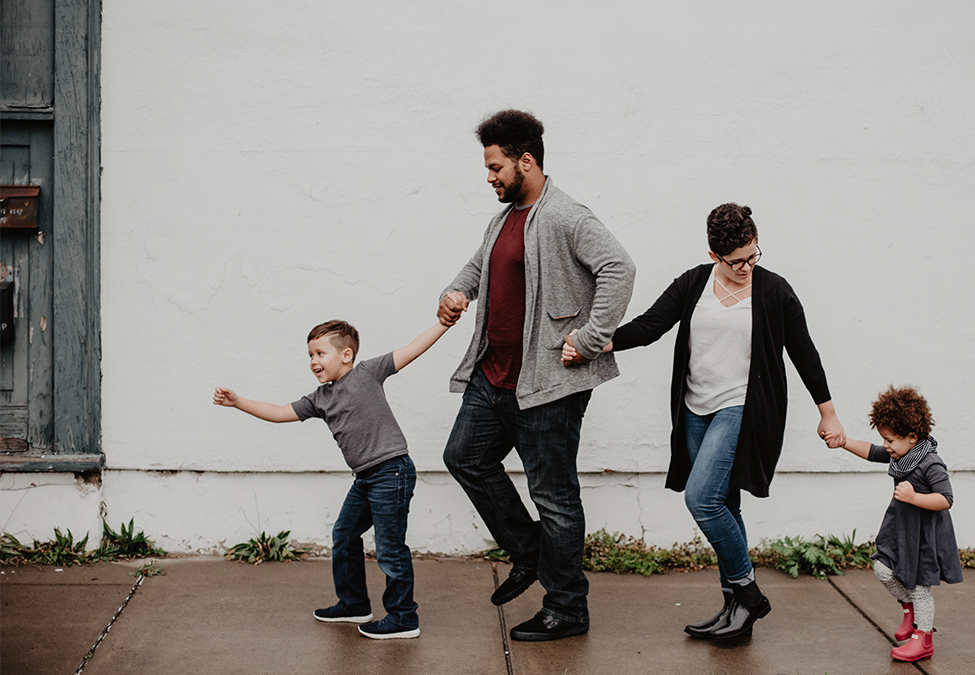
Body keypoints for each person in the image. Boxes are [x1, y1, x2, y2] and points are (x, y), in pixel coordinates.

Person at [562, 203, 846, 639]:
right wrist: (595, 344)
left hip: (742, 408)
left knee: (702, 500)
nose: (747, 267)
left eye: (754, 256)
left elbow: (804, 352)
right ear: (715, 255)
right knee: (725, 505)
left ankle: (749, 594)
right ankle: (736, 613)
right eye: (736, 261)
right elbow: (651, 325)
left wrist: (827, 412)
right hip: (695, 409)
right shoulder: (695, 282)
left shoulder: (774, 291)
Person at [438, 109, 635, 642]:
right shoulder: (503, 218)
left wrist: (590, 339)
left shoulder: (567, 216)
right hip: (493, 377)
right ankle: (530, 554)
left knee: (555, 497)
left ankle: (568, 608)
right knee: (464, 458)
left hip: (546, 384)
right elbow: (479, 266)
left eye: (495, 166)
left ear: (526, 161)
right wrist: (456, 292)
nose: (489, 176)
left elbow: (620, 268)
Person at [213, 319, 450, 639]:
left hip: (391, 472)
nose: (313, 361)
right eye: (310, 355)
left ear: (346, 355)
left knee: (390, 548)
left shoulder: (368, 372)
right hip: (365, 478)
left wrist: (444, 324)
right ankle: (354, 604)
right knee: (345, 534)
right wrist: (237, 402)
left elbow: (413, 348)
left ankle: (404, 617)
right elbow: (281, 411)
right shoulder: (320, 398)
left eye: (320, 353)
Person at [828, 385, 962, 663]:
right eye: (884, 439)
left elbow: (946, 499)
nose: (886, 446)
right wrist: (843, 442)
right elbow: (871, 451)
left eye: (890, 440)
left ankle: (923, 639)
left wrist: (914, 497)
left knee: (919, 586)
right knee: (882, 568)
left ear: (912, 437)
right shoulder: (900, 456)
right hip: (901, 530)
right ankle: (909, 610)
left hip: (924, 535)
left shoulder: (930, 463)